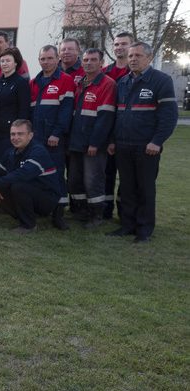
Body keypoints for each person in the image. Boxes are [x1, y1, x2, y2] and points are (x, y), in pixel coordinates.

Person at [108, 42, 178, 243]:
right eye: (130, 56)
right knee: (127, 188)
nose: (133, 59)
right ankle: (127, 225)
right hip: (123, 144)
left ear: (149, 57)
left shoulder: (161, 80)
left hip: (146, 146)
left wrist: (157, 141)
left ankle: (144, 229)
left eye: (138, 55)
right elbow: (116, 115)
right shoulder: (122, 82)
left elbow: (169, 116)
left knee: (145, 188)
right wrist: (113, 140)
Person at [0, 119, 68, 233]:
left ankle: (29, 225)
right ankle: (21, 214)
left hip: (47, 198)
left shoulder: (38, 151)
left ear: (30, 135)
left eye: (20, 134)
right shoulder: (11, 152)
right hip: (29, 192)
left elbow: (23, 174)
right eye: (13, 134)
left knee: (18, 186)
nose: (15, 137)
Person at [68, 48, 116, 228]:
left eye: (93, 60)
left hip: (93, 144)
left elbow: (105, 118)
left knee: (93, 180)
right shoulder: (80, 83)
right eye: (86, 60)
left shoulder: (107, 84)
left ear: (101, 63)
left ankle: (96, 215)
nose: (88, 63)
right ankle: (81, 212)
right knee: (75, 179)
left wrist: (95, 143)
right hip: (76, 141)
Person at [30, 44, 74, 201]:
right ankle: (43, 204)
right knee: (37, 171)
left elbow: (66, 111)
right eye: (43, 59)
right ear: (38, 60)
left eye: (50, 58)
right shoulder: (34, 83)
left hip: (54, 138)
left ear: (57, 59)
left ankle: (59, 207)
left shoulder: (65, 80)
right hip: (36, 136)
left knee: (56, 171)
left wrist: (56, 133)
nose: (46, 62)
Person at [102, 32, 133, 219]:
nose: (119, 47)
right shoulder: (105, 72)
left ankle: (124, 212)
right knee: (107, 174)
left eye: (124, 44)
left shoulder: (135, 72)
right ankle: (106, 210)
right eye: (116, 44)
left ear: (131, 46)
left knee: (127, 176)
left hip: (127, 134)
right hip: (107, 134)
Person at [0, 47, 31, 167]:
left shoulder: (21, 83)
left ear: (15, 63)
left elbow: (24, 109)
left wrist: (19, 131)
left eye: (8, 61)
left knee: (9, 165)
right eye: (2, 61)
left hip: (11, 134)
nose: (4, 63)